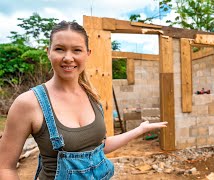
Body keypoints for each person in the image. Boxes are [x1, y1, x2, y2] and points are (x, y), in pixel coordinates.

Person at [0, 21, 168, 180]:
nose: (68, 57)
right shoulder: (29, 103)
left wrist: (139, 130)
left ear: (88, 54)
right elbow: (5, 167)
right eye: (59, 49)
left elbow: (99, 148)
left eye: (77, 50)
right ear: (48, 52)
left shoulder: (91, 95)